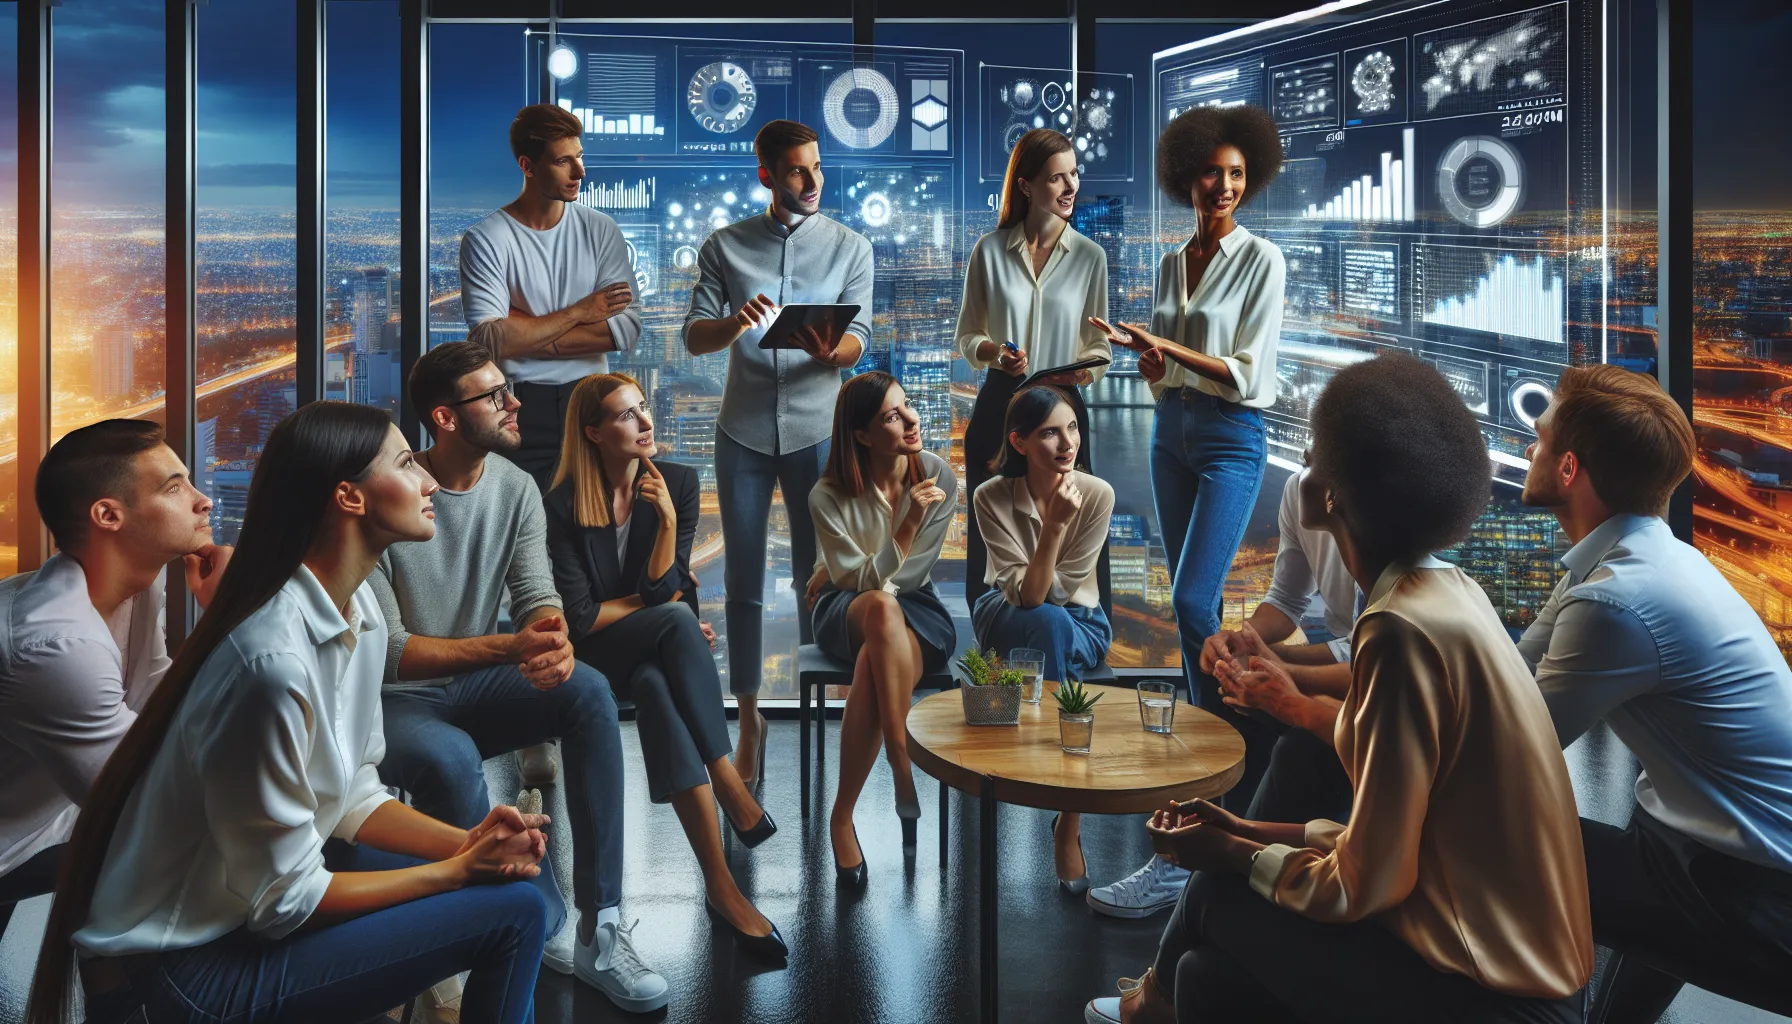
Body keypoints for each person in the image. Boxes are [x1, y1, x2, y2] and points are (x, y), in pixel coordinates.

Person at [1085, 354, 1592, 1024]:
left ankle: (1144, 1010)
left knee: (1220, 897)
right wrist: (1243, 828)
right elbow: (1395, 842)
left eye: (1318, 449)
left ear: (1332, 494)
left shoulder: (1397, 630)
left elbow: (1369, 883)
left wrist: (1236, 852)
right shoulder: (1450, 593)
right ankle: (1156, 1004)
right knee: (1206, 975)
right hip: (1513, 966)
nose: (1306, 458)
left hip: (1499, 995)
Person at [25, 402, 553, 1024]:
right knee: (515, 911)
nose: (429, 481)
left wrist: (467, 842)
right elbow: (285, 899)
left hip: (237, 916)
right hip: (179, 973)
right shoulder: (269, 663)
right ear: (349, 499)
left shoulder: (362, 615)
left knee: (510, 885)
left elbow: (353, 793)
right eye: (407, 462)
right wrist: (456, 871)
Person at [371, 342, 666, 1012]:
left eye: (509, 390)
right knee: (447, 764)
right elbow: (391, 653)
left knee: (587, 690)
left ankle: (600, 927)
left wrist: (553, 644)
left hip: (478, 682)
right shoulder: (393, 491)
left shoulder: (514, 486)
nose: (515, 404)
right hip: (399, 702)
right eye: (496, 395)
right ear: (446, 417)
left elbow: (538, 594)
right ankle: (516, 921)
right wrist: (511, 648)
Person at [1514, 364, 1792, 1018]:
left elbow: (1510, 747)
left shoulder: (1617, 601)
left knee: (1488, 836)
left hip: (1756, 894)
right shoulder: (1638, 558)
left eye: (1541, 439)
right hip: (1693, 843)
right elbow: (1512, 676)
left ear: (1569, 470)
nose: (1529, 448)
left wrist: (1327, 715)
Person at [544, 372, 788, 963]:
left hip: (650, 656)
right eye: (627, 415)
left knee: (656, 686)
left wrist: (673, 529)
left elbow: (662, 585)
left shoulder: (677, 482)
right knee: (677, 623)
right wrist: (666, 609)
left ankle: (722, 888)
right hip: (596, 658)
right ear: (595, 432)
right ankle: (728, 779)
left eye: (644, 407)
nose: (645, 421)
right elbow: (580, 619)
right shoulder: (560, 503)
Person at [1090, 105, 1286, 812]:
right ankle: (1217, 749)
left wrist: (1168, 349)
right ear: (1188, 177)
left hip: (1233, 436)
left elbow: (1248, 372)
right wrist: (1150, 360)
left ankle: (1228, 756)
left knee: (1193, 600)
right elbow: (1167, 374)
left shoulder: (1263, 260)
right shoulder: (1174, 261)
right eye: (1213, 171)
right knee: (1187, 606)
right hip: (1167, 431)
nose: (1225, 185)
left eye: (1237, 173)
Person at [682, 119, 874, 787]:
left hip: (819, 429)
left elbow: (861, 339)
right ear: (767, 175)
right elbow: (693, 338)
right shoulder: (726, 247)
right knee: (741, 578)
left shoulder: (851, 246)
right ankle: (752, 717)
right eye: (796, 170)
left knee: (816, 575)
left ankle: (825, 709)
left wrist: (835, 348)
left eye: (817, 166)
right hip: (742, 430)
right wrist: (735, 321)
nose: (813, 180)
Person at [1086, 459, 1357, 921]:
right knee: (1231, 690)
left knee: (1289, 737)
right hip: (1350, 667)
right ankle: (1201, 859)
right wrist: (1241, 639)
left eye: (1318, 456)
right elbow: (1287, 602)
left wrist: (1280, 664)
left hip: (1371, 686)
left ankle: (1225, 868)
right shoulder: (1301, 492)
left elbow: (1373, 657)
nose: (1304, 464)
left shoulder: (1380, 509)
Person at [0, 421, 231, 940]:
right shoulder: (60, 646)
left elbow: (158, 713)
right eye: (174, 488)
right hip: (17, 844)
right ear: (108, 515)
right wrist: (228, 623)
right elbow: (145, 799)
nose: (203, 502)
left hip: (58, 813)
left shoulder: (137, 590)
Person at [806, 372, 957, 882]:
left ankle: (841, 817)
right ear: (863, 435)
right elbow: (852, 582)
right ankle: (902, 761)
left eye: (908, 406)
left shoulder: (938, 474)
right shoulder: (826, 494)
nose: (912, 419)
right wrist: (906, 524)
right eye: (893, 415)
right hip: (843, 611)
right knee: (875, 608)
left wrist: (849, 567)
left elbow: (909, 575)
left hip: (918, 609)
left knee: (878, 644)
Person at [957, 127, 1111, 609]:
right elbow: (967, 336)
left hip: (1064, 407)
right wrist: (996, 355)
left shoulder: (1090, 256)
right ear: (1025, 186)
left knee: (1074, 518)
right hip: (1000, 404)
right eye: (1055, 178)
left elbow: (1099, 347)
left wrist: (1083, 373)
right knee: (991, 532)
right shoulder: (989, 250)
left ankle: (1075, 639)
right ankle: (992, 647)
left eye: (1074, 175)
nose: (1070, 188)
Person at [973, 385, 1114, 894]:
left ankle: (1066, 818)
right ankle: (1066, 800)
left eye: (1072, 427)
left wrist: (1058, 528)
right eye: (1050, 432)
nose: (1066, 442)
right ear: (1019, 441)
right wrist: (1053, 526)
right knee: (1047, 624)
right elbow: (1028, 597)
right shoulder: (991, 496)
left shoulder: (1097, 494)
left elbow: (1060, 595)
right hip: (1005, 615)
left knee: (1056, 626)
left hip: (1080, 621)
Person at [460, 102, 642, 492]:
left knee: (595, 527)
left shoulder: (601, 229)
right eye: (563, 161)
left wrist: (527, 330)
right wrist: (583, 310)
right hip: (523, 408)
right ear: (528, 166)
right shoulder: (488, 238)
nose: (580, 172)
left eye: (579, 157)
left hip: (596, 401)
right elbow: (490, 341)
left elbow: (626, 328)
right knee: (527, 530)